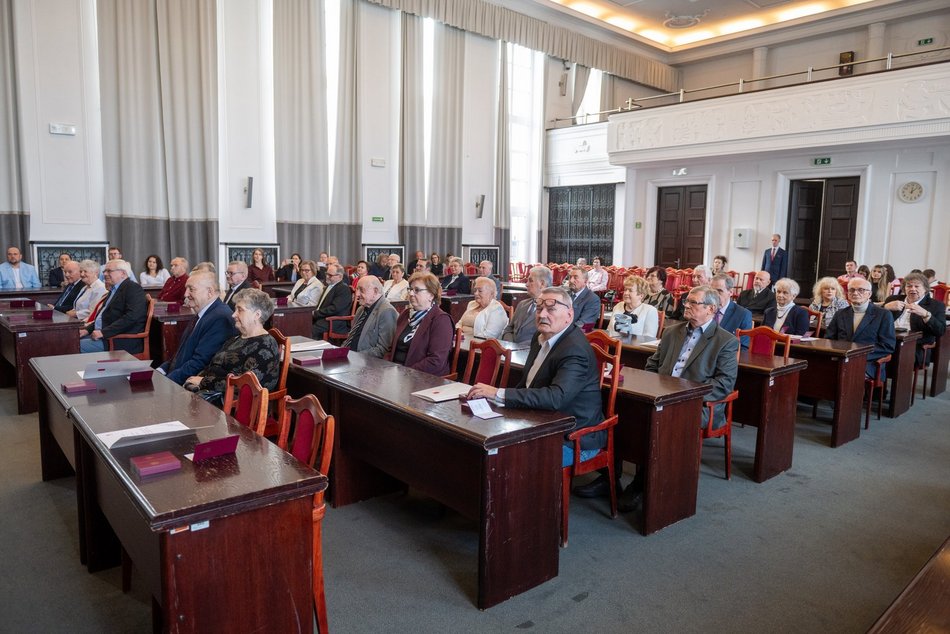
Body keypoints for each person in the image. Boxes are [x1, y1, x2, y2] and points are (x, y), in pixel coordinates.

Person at [601, 286, 739, 512]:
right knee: (621, 411)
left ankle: (642, 483)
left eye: (694, 303)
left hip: (695, 404)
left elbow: (724, 384)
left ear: (711, 309)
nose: (687, 306)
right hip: (659, 395)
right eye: (687, 302)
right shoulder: (672, 332)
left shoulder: (725, 341)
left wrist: (684, 396)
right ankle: (609, 477)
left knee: (655, 425)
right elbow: (653, 364)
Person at [467, 286, 605, 469]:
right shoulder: (539, 337)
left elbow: (556, 398)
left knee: (508, 459)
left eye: (551, 309)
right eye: (539, 308)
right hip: (541, 422)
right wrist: (495, 401)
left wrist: (499, 393)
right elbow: (527, 384)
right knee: (478, 439)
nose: (542, 315)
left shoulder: (574, 350)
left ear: (569, 316)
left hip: (573, 436)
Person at [184, 288, 280, 405]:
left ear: (257, 315)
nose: (234, 315)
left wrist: (203, 382)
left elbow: (245, 386)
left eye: (240, 310)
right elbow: (214, 365)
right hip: (211, 396)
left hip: (238, 407)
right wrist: (195, 380)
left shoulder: (265, 346)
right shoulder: (236, 338)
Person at [158, 272, 238, 385]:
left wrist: (166, 382)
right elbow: (181, 354)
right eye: (186, 289)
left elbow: (200, 363)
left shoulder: (220, 318)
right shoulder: (202, 313)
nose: (185, 294)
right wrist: (160, 371)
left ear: (209, 292)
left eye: (191, 289)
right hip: (177, 377)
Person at [825, 277, 896, 379]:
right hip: (840, 359)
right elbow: (829, 339)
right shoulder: (840, 313)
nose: (855, 293)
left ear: (869, 294)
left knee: (847, 374)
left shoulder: (883, 314)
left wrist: (858, 355)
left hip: (868, 362)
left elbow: (888, 345)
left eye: (861, 290)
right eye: (852, 290)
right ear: (848, 293)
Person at [387, 272, 454, 375]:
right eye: (410, 289)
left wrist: (405, 373)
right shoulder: (405, 314)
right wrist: (385, 368)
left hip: (424, 379)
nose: (411, 294)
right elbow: (391, 348)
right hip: (396, 373)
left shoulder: (441, 320)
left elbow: (436, 361)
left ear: (431, 295)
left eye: (417, 290)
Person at [79, 259, 147, 354]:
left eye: (109, 271)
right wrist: (87, 330)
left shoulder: (133, 288)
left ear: (123, 273)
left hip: (119, 340)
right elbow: (105, 317)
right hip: (104, 335)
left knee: (72, 346)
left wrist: (104, 332)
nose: (105, 274)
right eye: (104, 271)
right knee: (70, 340)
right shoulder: (114, 289)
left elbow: (132, 317)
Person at [882, 272, 946, 367]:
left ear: (925, 289)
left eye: (917, 286)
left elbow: (940, 330)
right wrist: (885, 308)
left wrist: (926, 315)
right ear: (904, 288)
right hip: (888, 340)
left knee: (898, 355)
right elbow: (874, 319)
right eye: (909, 286)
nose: (912, 289)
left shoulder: (936, 305)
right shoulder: (893, 300)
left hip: (915, 346)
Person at [344, 276, 398, 358]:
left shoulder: (387, 311)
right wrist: (340, 352)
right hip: (348, 356)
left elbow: (383, 349)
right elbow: (351, 339)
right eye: (357, 289)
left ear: (375, 291)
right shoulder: (361, 309)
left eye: (361, 290)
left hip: (366, 363)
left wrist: (354, 356)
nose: (357, 294)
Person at [502, 265, 551, 345]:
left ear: (542, 284)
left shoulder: (550, 309)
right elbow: (509, 329)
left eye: (530, 281)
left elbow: (547, 337)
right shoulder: (522, 304)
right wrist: (511, 345)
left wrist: (519, 347)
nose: (526, 284)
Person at [709, 274, 753, 348]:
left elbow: (743, 346)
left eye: (719, 291)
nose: (715, 295)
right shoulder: (703, 308)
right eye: (712, 291)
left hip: (726, 357)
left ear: (731, 292)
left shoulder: (743, 314)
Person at [312, 263, 353, 339]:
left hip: (334, 321)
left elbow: (334, 308)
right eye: (326, 274)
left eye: (330, 275)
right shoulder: (329, 286)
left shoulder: (343, 289)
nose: (327, 277)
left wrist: (316, 313)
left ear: (340, 276)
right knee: (301, 324)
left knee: (309, 330)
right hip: (323, 318)